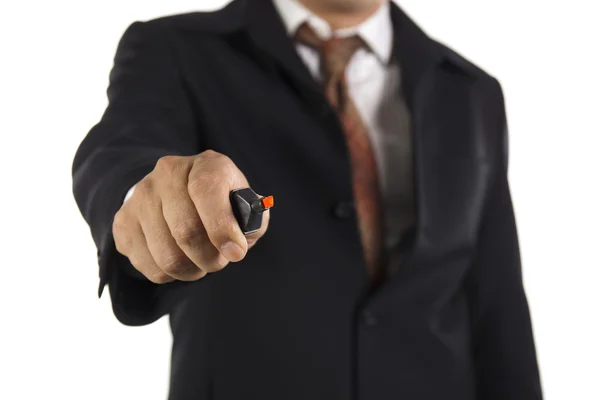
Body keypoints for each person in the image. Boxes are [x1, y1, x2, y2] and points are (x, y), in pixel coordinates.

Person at [71, 0, 544, 398]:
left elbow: (496, 306)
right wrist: (144, 201)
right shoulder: (176, 50)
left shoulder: (472, 90)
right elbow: (123, 154)